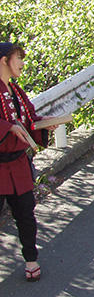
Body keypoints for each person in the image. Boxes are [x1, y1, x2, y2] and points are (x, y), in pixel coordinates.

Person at [0, 43, 58, 283]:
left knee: (26, 214)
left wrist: (45, 124)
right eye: (18, 58)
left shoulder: (16, 91)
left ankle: (31, 259)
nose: (23, 63)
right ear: (4, 60)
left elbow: (30, 119)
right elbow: (11, 125)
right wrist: (7, 127)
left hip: (19, 164)